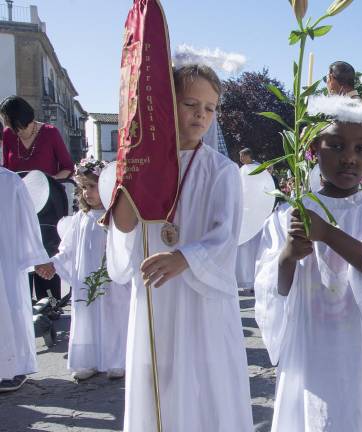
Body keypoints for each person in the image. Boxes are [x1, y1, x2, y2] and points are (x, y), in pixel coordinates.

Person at [253, 97, 362, 431]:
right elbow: (272, 288)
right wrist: (287, 255)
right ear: (313, 148)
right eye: (337, 146)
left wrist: (326, 234)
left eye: (361, 149)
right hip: (311, 341)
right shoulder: (289, 214)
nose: (349, 158)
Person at [107, 64, 253, 431]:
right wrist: (132, 173)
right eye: (190, 104)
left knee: (202, 380)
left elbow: (225, 236)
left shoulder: (221, 171)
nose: (201, 114)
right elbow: (124, 225)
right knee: (159, 376)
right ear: (164, 105)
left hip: (201, 299)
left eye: (210, 107)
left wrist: (185, 258)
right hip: (156, 295)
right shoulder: (141, 166)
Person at [41, 159, 130, 382]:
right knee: (88, 316)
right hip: (86, 279)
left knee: (114, 315)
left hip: (111, 280)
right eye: (83, 187)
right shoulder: (80, 219)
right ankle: (88, 359)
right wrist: (54, 263)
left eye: (92, 186)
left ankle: (117, 360)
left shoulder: (116, 217)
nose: (87, 192)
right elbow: (68, 249)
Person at [2, 95, 74, 301]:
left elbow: (67, 168)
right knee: (21, 254)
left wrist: (44, 182)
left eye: (10, 121)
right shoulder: (8, 135)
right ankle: (23, 304)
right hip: (19, 206)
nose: (9, 127)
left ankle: (49, 303)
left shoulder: (50, 133)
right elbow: (7, 170)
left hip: (48, 206)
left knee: (45, 250)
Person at [0, 167, 53, 393]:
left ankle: (9, 368)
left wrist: (38, 256)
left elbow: (26, 219)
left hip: (5, 259)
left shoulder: (9, 182)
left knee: (9, 309)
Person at [235, 147, 260, 292]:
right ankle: (246, 279)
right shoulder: (242, 169)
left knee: (255, 246)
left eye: (242, 156)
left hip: (256, 212)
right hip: (245, 211)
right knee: (245, 247)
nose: (240, 159)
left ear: (248, 156)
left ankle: (253, 279)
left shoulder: (258, 169)